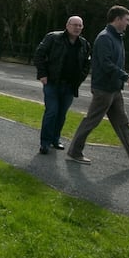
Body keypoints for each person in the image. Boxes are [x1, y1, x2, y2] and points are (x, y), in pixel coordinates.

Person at [65, 6, 129, 167]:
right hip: (103, 89)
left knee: (122, 123)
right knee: (92, 120)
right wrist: (126, 77)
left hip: (114, 88)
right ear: (117, 19)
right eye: (126, 20)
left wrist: (122, 79)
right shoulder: (105, 38)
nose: (128, 23)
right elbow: (106, 64)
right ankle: (75, 151)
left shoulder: (116, 37)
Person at [33, 16, 91, 155]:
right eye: (74, 25)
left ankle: (55, 139)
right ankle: (45, 143)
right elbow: (39, 54)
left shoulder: (84, 44)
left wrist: (79, 79)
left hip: (70, 86)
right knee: (52, 111)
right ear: (67, 25)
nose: (77, 28)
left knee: (61, 114)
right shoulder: (53, 38)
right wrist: (42, 74)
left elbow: (87, 64)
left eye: (80, 26)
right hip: (52, 82)